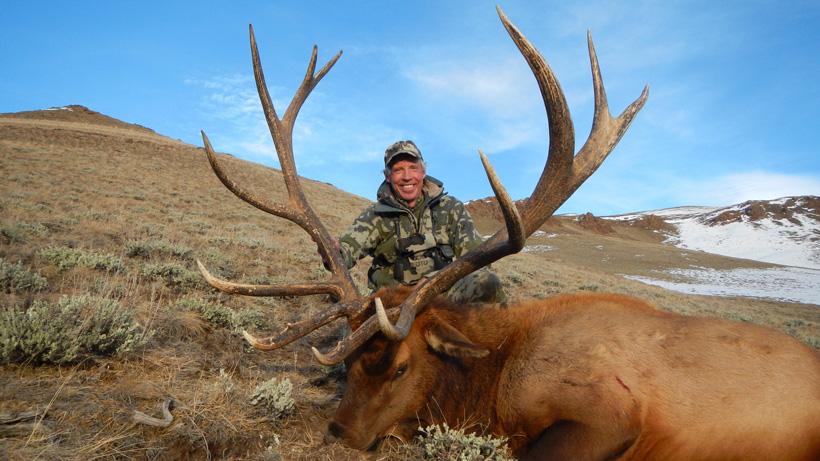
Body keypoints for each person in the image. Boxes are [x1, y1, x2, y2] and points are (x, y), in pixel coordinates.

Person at [337, 140, 505, 304]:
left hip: (441, 293)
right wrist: (334, 251)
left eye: (413, 168)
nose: (407, 177)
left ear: (423, 172)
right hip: (394, 302)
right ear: (388, 177)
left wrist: (432, 281)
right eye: (398, 170)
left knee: (486, 281)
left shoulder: (450, 207)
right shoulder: (375, 216)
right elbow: (345, 252)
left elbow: (476, 258)